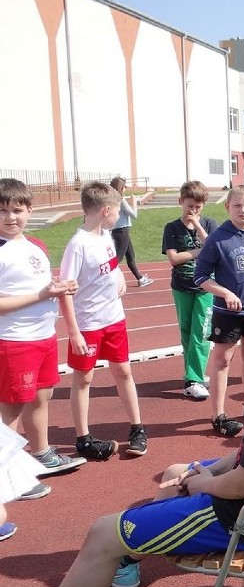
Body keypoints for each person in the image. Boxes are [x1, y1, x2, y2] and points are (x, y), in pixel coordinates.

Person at [54, 241, 244, 587]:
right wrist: (207, 472)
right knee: (178, 471)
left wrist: (206, 483)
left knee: (101, 533)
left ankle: (126, 547)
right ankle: (136, 548)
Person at [0, 179, 85, 497]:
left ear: (29, 211)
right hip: (13, 340)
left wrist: (61, 289)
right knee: (10, 410)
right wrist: (43, 294)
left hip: (43, 337)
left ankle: (41, 453)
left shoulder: (36, 245)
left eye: (17, 210)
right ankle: (8, 478)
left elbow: (43, 285)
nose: (10, 218)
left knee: (41, 397)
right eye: (3, 211)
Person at [59, 182, 148, 460]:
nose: (120, 215)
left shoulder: (106, 236)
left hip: (114, 320)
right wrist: (74, 333)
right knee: (84, 379)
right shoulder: (78, 245)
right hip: (88, 325)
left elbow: (110, 266)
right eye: (118, 210)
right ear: (106, 210)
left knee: (124, 372)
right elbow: (65, 291)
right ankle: (83, 438)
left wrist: (120, 275)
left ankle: (137, 428)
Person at [194, 185, 244, 437]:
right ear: (228, 206)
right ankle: (217, 414)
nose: (243, 210)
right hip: (227, 313)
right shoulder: (217, 238)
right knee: (222, 360)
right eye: (238, 205)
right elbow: (200, 276)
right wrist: (225, 293)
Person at [161, 181, 218, 400]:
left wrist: (199, 227)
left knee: (201, 332)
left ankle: (194, 378)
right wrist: (197, 252)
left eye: (198, 207)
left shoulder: (210, 224)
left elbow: (213, 247)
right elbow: (174, 259)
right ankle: (192, 376)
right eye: (190, 206)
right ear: (181, 202)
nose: (193, 211)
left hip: (205, 287)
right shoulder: (172, 228)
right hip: (181, 285)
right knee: (186, 331)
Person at [108, 177, 153, 288]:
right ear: (121, 188)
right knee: (118, 257)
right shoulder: (120, 200)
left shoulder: (112, 199)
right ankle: (104, 275)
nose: (126, 188)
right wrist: (134, 202)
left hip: (120, 231)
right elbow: (134, 215)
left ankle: (140, 278)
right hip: (121, 231)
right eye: (125, 186)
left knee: (130, 256)